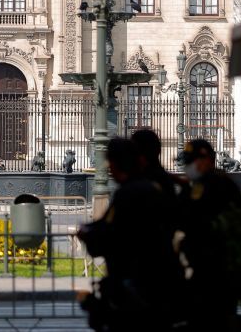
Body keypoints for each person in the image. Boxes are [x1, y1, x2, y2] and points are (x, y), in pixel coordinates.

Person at [76, 138, 178, 331]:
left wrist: (88, 234)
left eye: (109, 162)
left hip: (133, 284)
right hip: (157, 281)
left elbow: (110, 234)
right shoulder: (151, 187)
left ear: (115, 163)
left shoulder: (129, 193)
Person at [177, 139, 241, 326]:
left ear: (206, 160)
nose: (188, 167)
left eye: (192, 161)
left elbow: (186, 216)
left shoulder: (206, 186)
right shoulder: (222, 183)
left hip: (211, 264)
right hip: (215, 265)